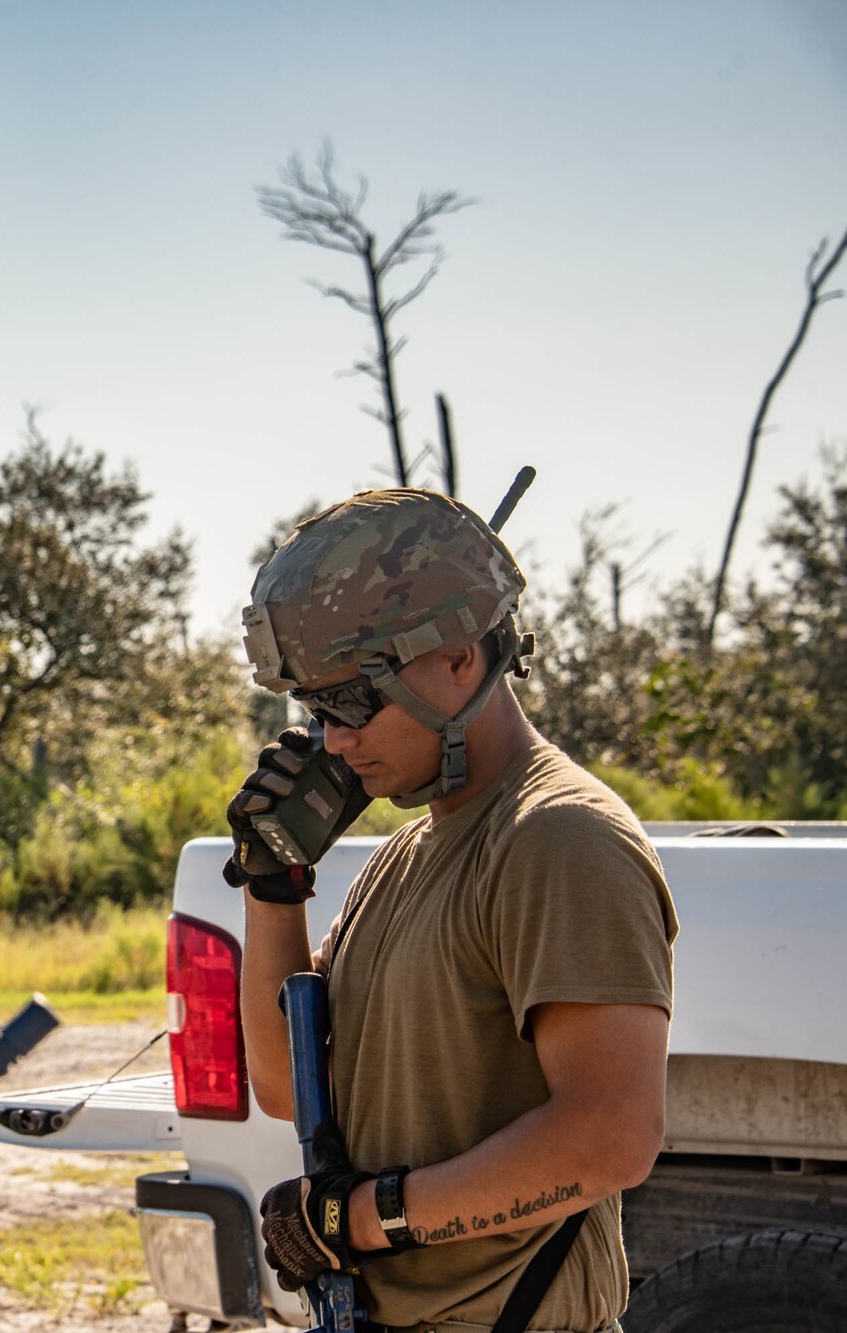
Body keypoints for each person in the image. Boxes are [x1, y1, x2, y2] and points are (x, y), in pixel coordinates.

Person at [223, 489, 677, 1333]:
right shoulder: (406, 857)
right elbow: (290, 1087)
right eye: (313, 713)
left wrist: (359, 1220)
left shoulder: (557, 838)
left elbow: (612, 1133)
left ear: (462, 655)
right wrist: (274, 886)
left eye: (352, 703)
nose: (332, 741)